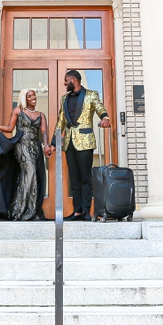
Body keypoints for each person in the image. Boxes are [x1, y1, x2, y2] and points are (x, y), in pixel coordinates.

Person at [0, 89, 52, 221]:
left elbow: (44, 132)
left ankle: (28, 210)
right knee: (30, 172)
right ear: (24, 98)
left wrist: (46, 145)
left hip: (35, 147)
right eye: (30, 96)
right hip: (21, 146)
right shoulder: (18, 111)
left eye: (34, 95)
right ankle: (22, 211)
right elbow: (10, 128)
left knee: (30, 177)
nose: (33, 97)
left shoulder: (41, 115)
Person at [54, 70, 110, 221]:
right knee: (74, 178)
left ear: (74, 80)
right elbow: (61, 121)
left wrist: (105, 117)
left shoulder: (91, 94)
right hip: (69, 143)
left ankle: (86, 211)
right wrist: (54, 142)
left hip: (85, 141)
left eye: (66, 80)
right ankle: (77, 211)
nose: (65, 83)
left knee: (85, 178)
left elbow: (100, 108)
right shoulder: (64, 98)